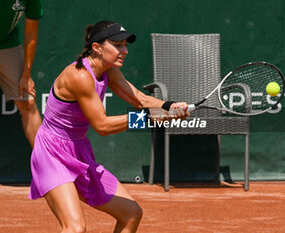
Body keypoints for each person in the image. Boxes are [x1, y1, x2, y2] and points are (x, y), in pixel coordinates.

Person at [28, 20, 189, 233]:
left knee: (131, 214)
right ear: (96, 47)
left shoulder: (109, 71)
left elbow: (141, 100)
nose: (125, 50)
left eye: (125, 45)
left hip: (79, 152)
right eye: (118, 45)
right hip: (52, 153)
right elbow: (102, 126)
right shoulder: (80, 77)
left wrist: (170, 108)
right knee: (74, 228)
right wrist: (150, 117)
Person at [0, 0, 43, 148]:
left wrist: (26, 75)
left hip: (7, 45)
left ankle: (48, 166)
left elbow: (30, 33)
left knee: (28, 101)